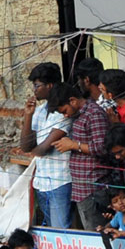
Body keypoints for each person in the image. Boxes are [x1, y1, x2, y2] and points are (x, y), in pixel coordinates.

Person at [47, 83, 109, 230]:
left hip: (94, 187)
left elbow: (102, 148)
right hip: (82, 188)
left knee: (96, 234)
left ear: (73, 100)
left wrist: (73, 145)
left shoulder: (94, 114)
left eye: (65, 111)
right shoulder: (78, 116)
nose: (66, 115)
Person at [20, 62, 72, 227]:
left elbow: (42, 149)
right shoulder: (41, 110)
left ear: (50, 85)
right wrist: (28, 115)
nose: (34, 90)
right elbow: (26, 146)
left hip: (60, 181)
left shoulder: (65, 111)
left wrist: (33, 150)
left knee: (60, 231)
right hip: (41, 181)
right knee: (49, 232)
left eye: (37, 85)